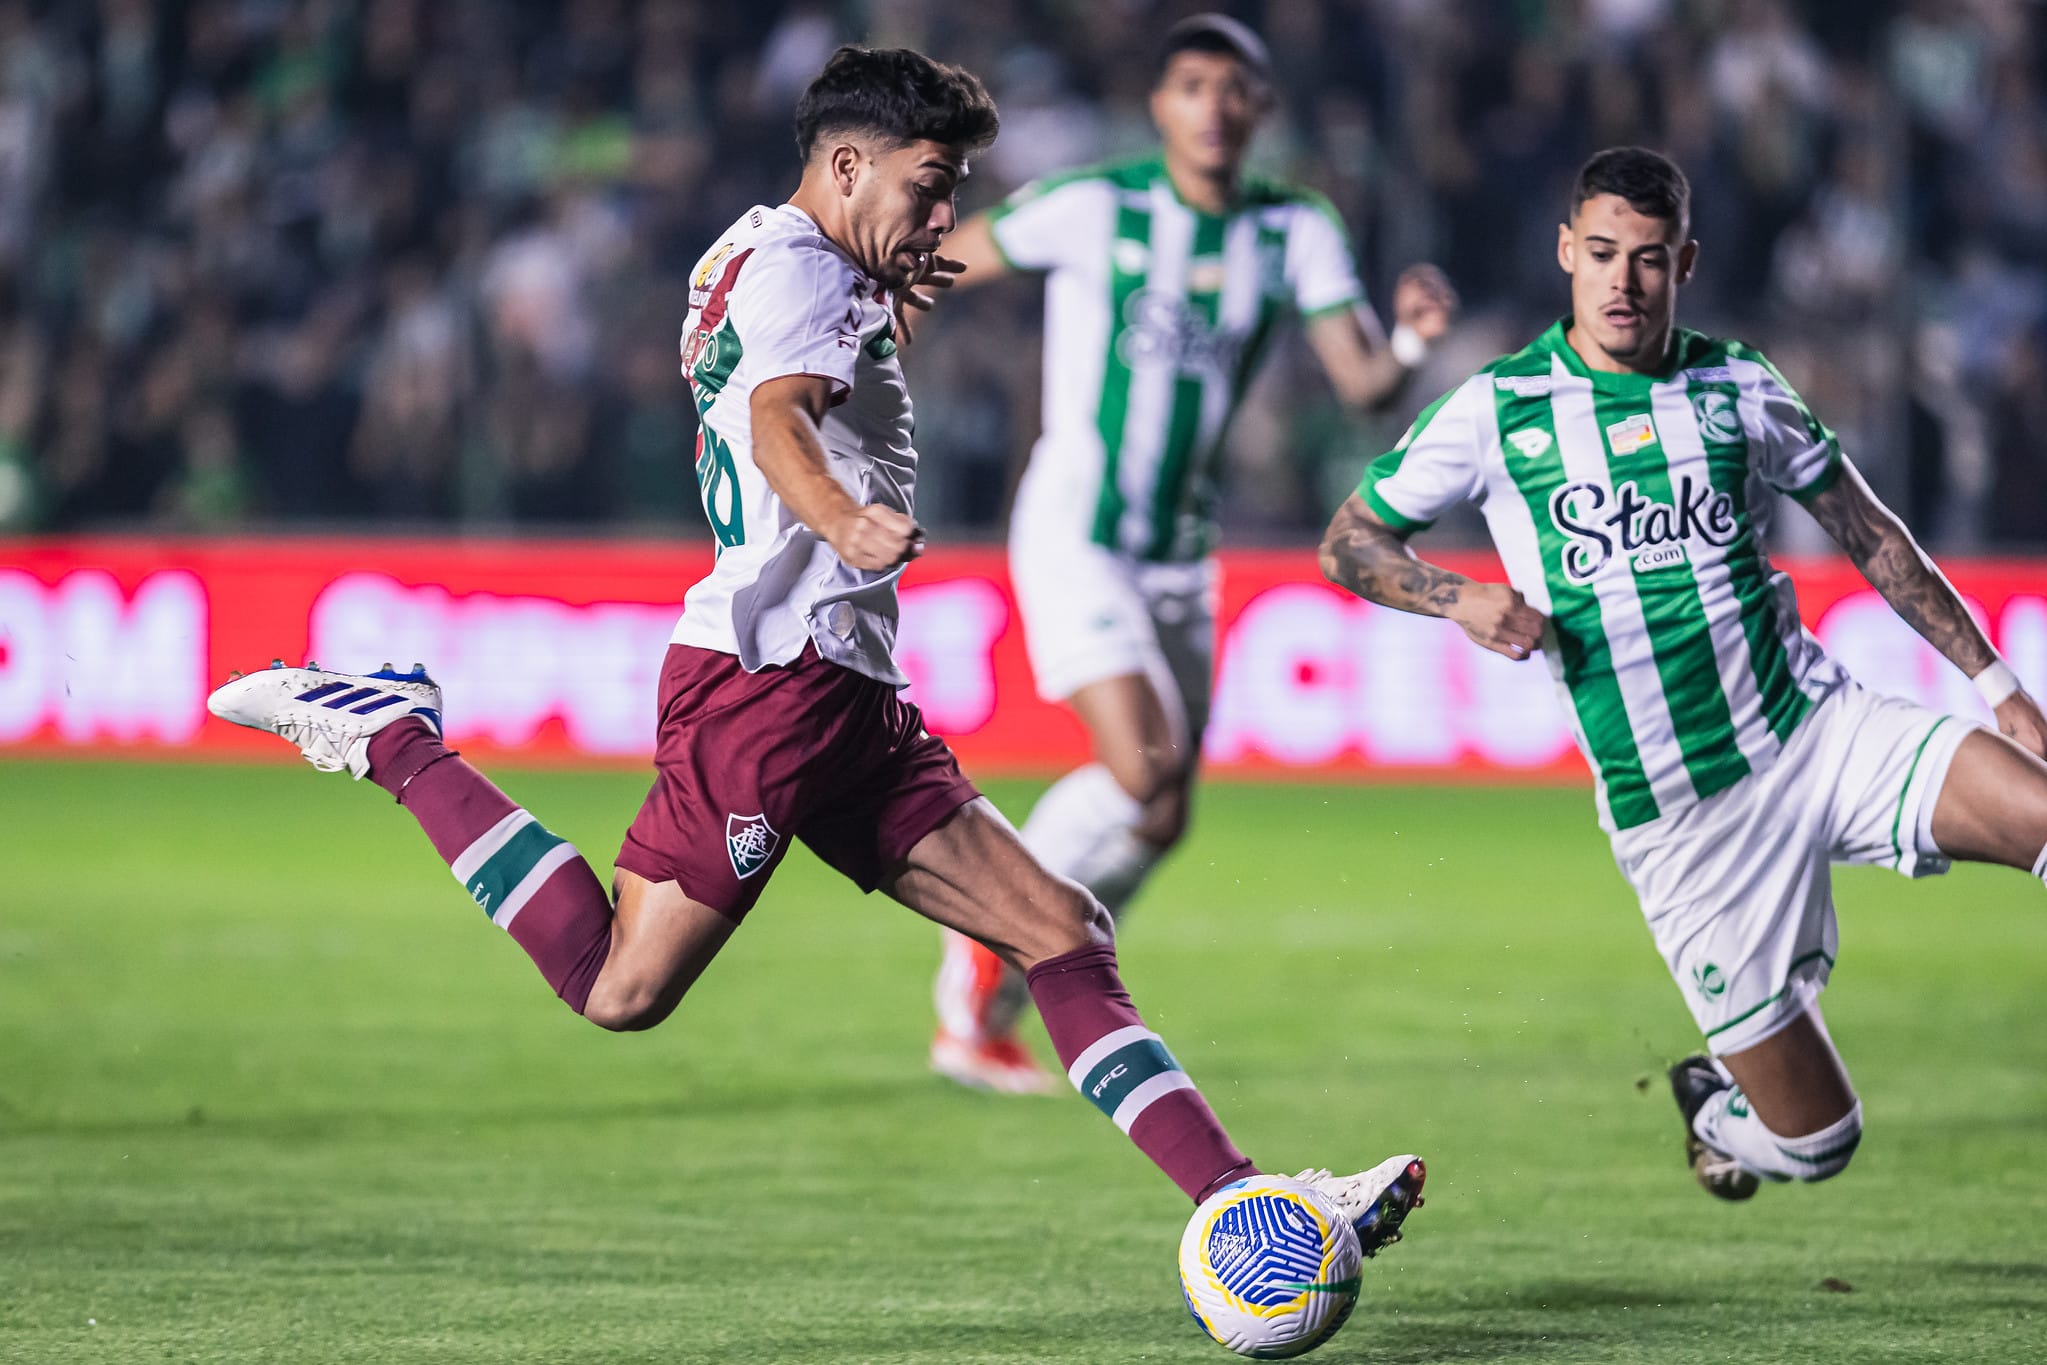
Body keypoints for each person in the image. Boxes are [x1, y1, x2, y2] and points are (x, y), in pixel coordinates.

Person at [207, 44, 1427, 1252]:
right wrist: (842, 517)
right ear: (846, 167)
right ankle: (395, 739)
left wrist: (884, 305)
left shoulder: (775, 252)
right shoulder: (802, 273)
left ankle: (1248, 1204)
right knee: (620, 987)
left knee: (1061, 931)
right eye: (928, 187)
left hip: (846, 694)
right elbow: (777, 416)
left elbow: (804, 372)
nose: (944, 218)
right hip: (771, 686)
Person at [1319, 145, 2047, 1200]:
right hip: (1683, 823)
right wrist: (1456, 597)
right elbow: (1348, 541)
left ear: (1685, 263)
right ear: (1565, 252)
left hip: (1816, 731)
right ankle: (1716, 1109)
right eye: (1601, 253)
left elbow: (1869, 532)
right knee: (1819, 1144)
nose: (1622, 281)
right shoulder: (1497, 408)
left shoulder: (1737, 383)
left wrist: (1997, 685)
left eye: (1649, 258)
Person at [903, 14, 1458, 1093]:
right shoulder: (1095, 205)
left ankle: (992, 991)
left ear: (1259, 109)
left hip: (1180, 552)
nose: (1213, 106)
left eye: (1232, 88)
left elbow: (1363, 383)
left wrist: (1409, 341)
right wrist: (866, 339)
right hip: (1077, 529)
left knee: (1162, 812)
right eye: (1192, 85)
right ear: (1159, 105)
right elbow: (937, 259)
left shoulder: (1291, 228)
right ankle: (988, 927)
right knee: (1142, 764)